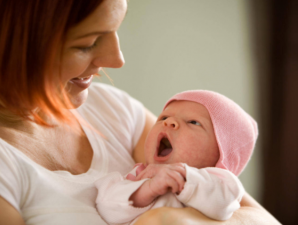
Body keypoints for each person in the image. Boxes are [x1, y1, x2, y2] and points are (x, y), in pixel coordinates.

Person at [0, 0, 280, 225]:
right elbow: (113, 203)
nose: (117, 59)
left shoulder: (111, 108)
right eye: (88, 43)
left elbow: (263, 220)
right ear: (5, 43)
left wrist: (171, 221)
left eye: (114, 30)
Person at [95, 90, 257, 224]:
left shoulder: (222, 184)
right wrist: (146, 190)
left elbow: (223, 205)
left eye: (193, 122)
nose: (169, 122)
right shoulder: (137, 177)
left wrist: (184, 177)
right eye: (163, 118)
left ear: (221, 155)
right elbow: (107, 209)